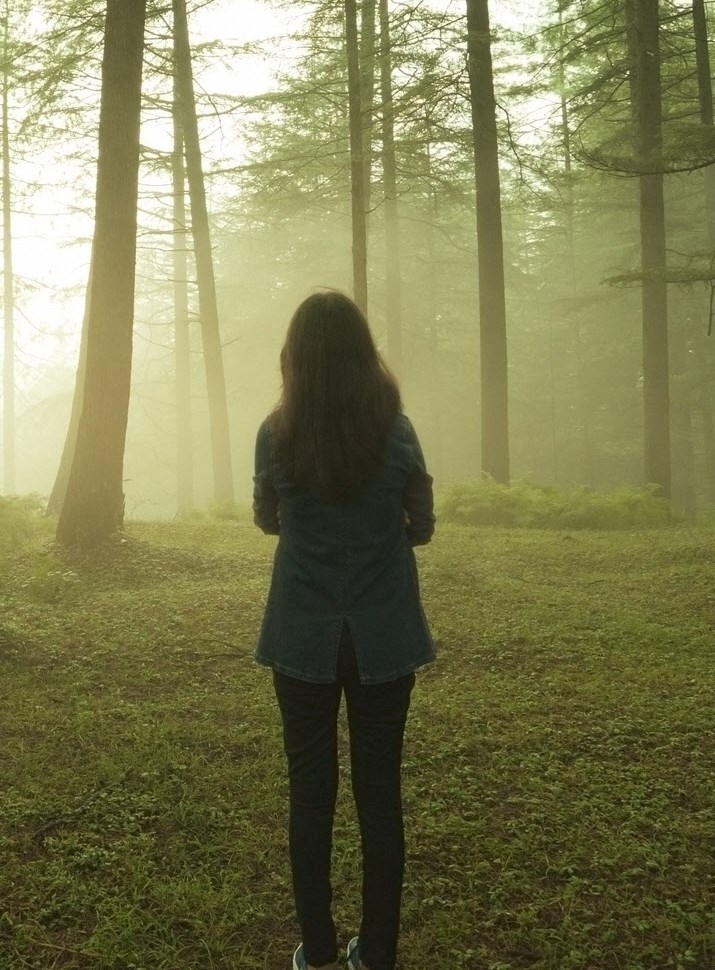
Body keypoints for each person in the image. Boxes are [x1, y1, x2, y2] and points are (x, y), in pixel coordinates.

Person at [253, 290, 434, 970]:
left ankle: (319, 949)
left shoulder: (275, 433)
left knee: (309, 790)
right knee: (379, 792)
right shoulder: (398, 430)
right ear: (364, 353)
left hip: (300, 636)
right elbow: (423, 522)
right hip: (384, 636)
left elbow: (267, 518)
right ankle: (377, 953)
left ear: (294, 358)